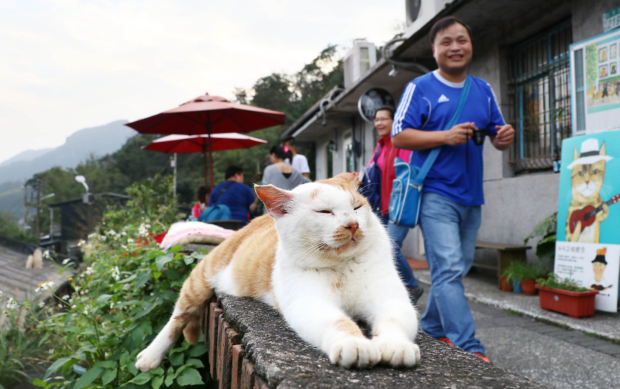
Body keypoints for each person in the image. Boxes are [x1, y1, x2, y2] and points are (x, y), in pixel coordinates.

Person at [391, 16, 515, 363]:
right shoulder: (421, 88)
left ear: (470, 45)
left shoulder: (483, 89)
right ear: (434, 50)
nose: (456, 47)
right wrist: (445, 136)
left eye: (462, 40)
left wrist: (505, 136)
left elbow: (498, 136)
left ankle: (430, 327)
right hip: (434, 193)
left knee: (456, 270)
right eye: (447, 42)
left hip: (472, 196)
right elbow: (399, 135)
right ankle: (469, 347)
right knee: (447, 269)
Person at [367, 105, 423, 305]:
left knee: (389, 246)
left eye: (384, 119)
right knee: (379, 247)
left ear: (394, 121)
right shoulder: (380, 145)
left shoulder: (402, 142)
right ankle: (395, 288)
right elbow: (370, 170)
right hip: (380, 206)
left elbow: (409, 171)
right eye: (376, 119)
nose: (379, 123)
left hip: (399, 205)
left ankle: (411, 285)